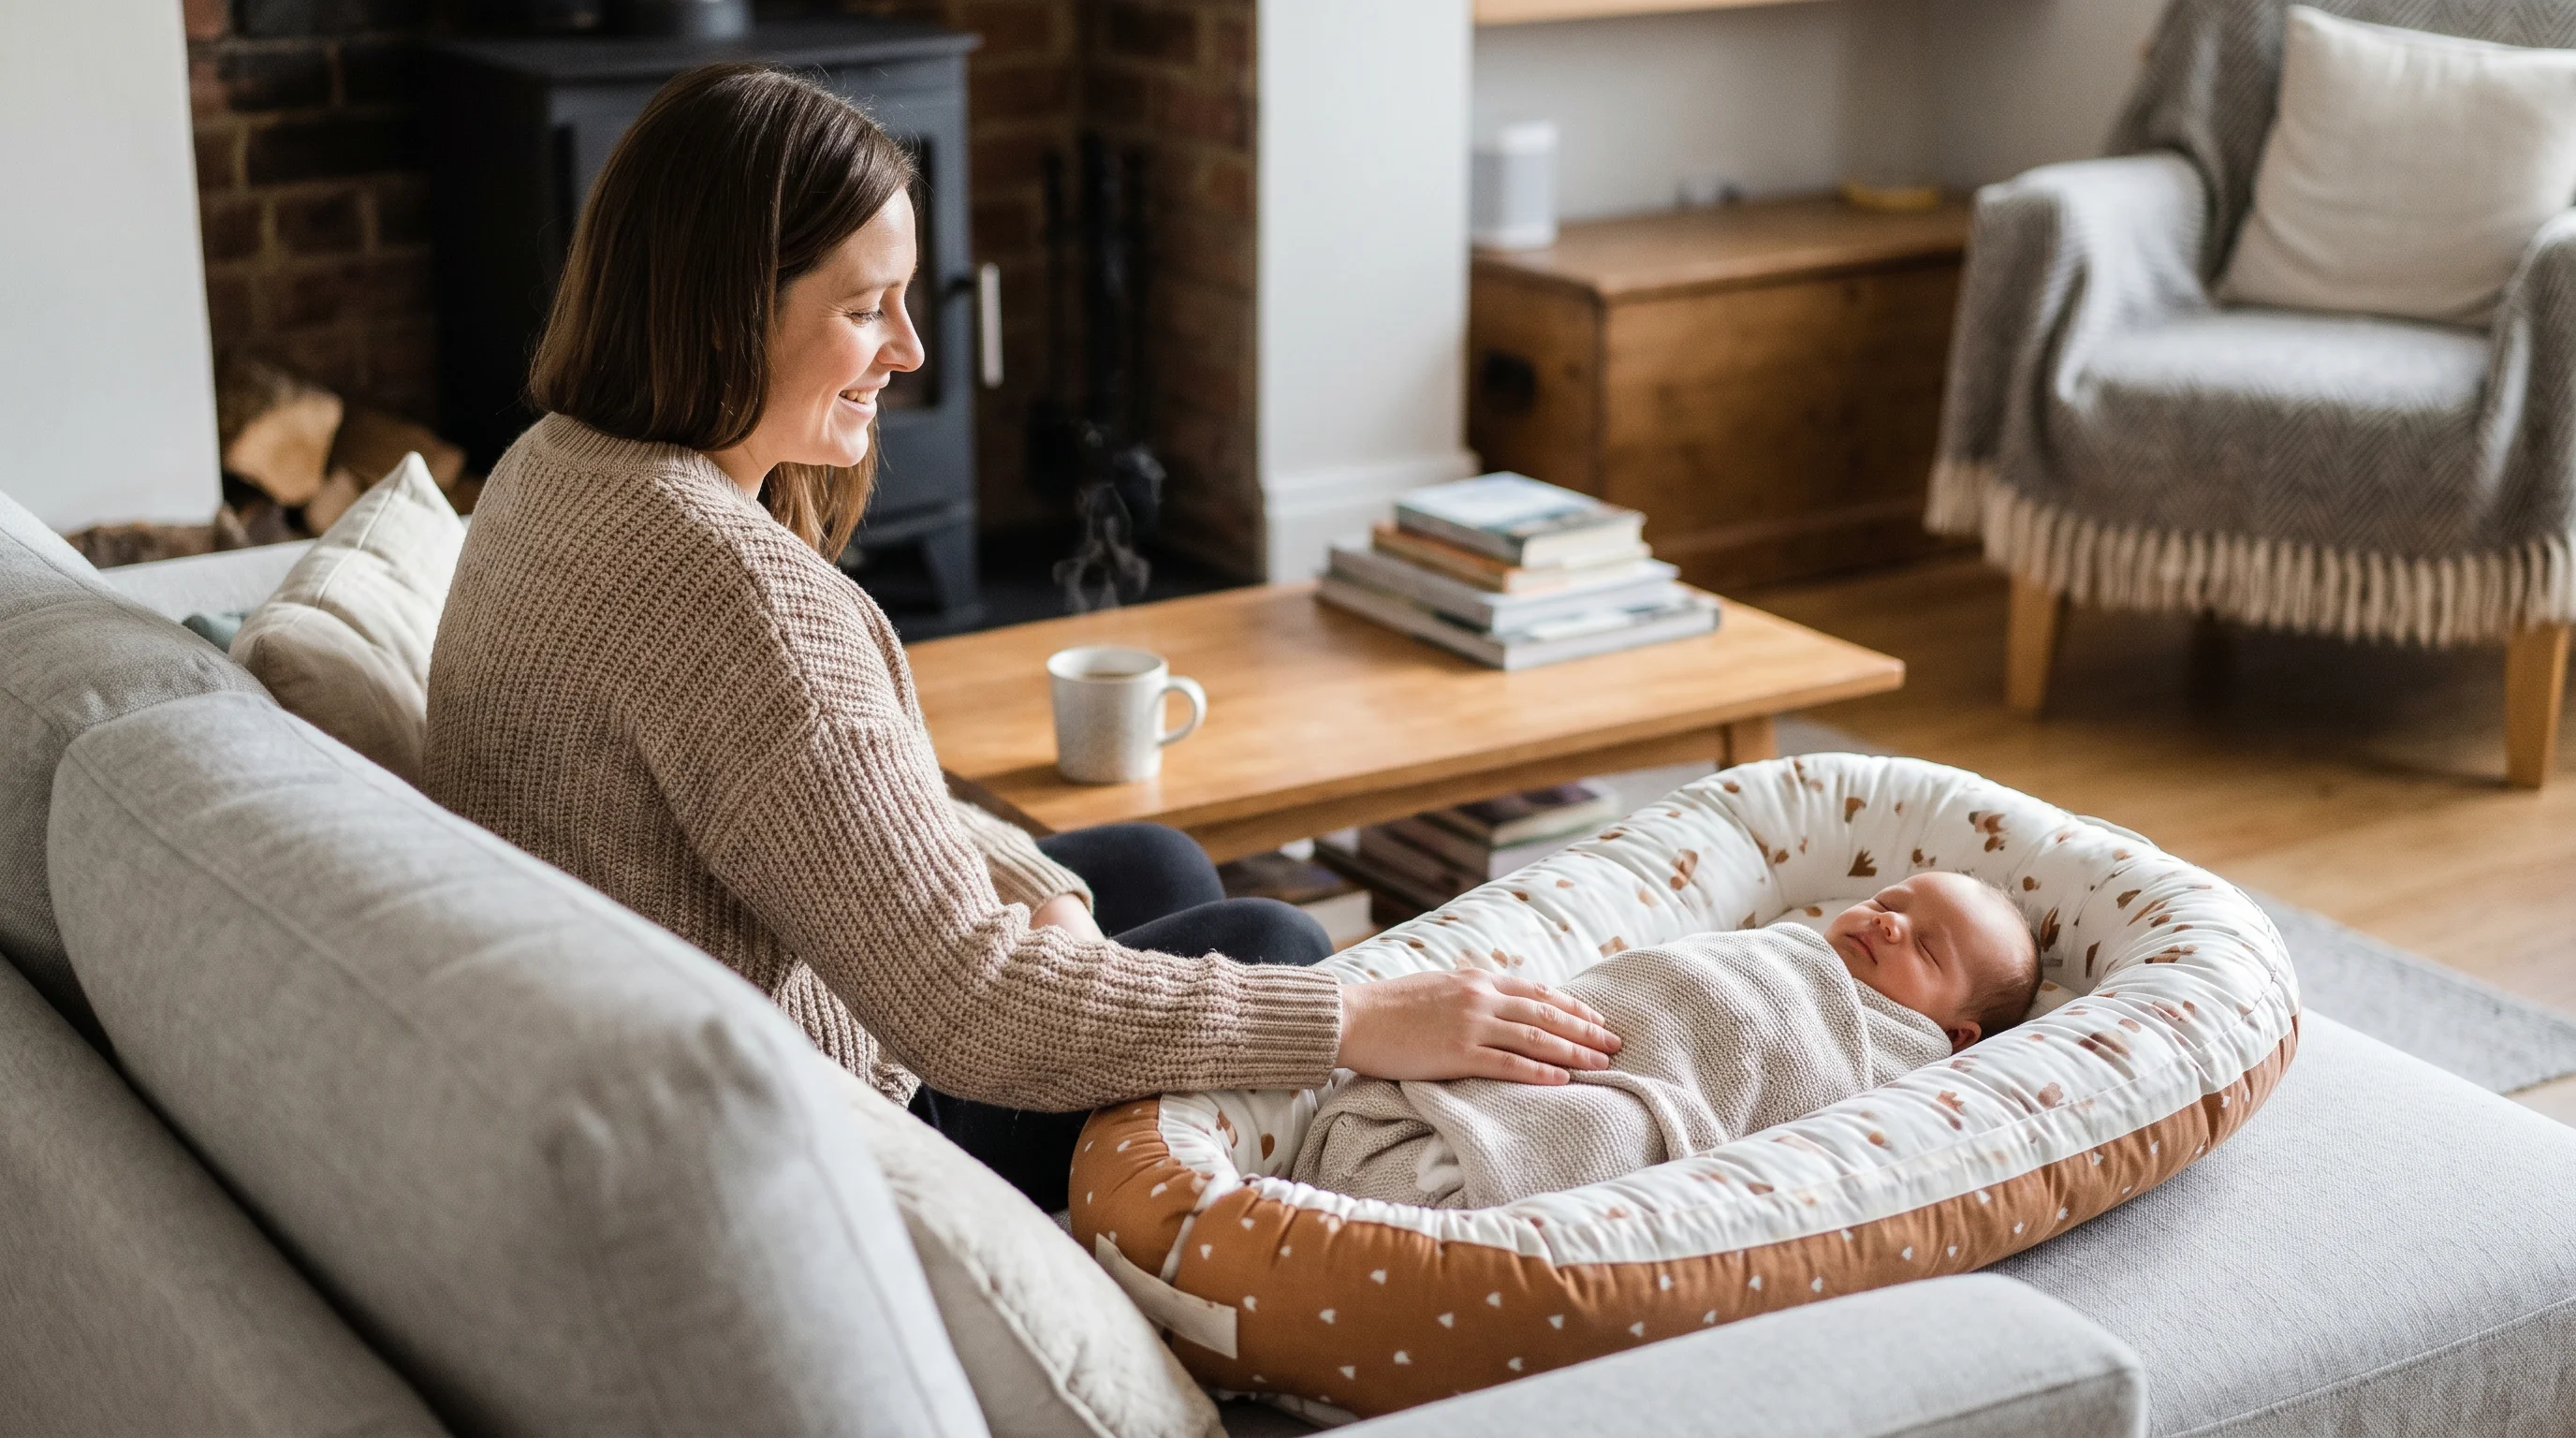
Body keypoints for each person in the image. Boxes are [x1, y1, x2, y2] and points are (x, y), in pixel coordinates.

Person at [419, 64, 1619, 1211]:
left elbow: (828, 813)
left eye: (904, 298)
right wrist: (1357, 1019)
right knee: (1281, 940)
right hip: (842, 1119)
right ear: (727, 310)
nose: (909, 348)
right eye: (860, 309)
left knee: (1151, 866)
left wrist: (1035, 887)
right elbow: (969, 1011)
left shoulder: (552, 466)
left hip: (705, 1016)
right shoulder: (744, 603)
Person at [1291, 873, 2040, 1210]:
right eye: (1888, 902)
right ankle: (1422, 1145)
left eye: (1927, 948)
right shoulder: (1777, 948)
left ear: (1954, 1033)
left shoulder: (1895, 1062)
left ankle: (1450, 1185)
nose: (1886, 923)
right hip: (1589, 1045)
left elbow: (1807, 1111)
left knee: (1605, 1126)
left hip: (1639, 1102)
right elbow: (1664, 985)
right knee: (1503, 1046)